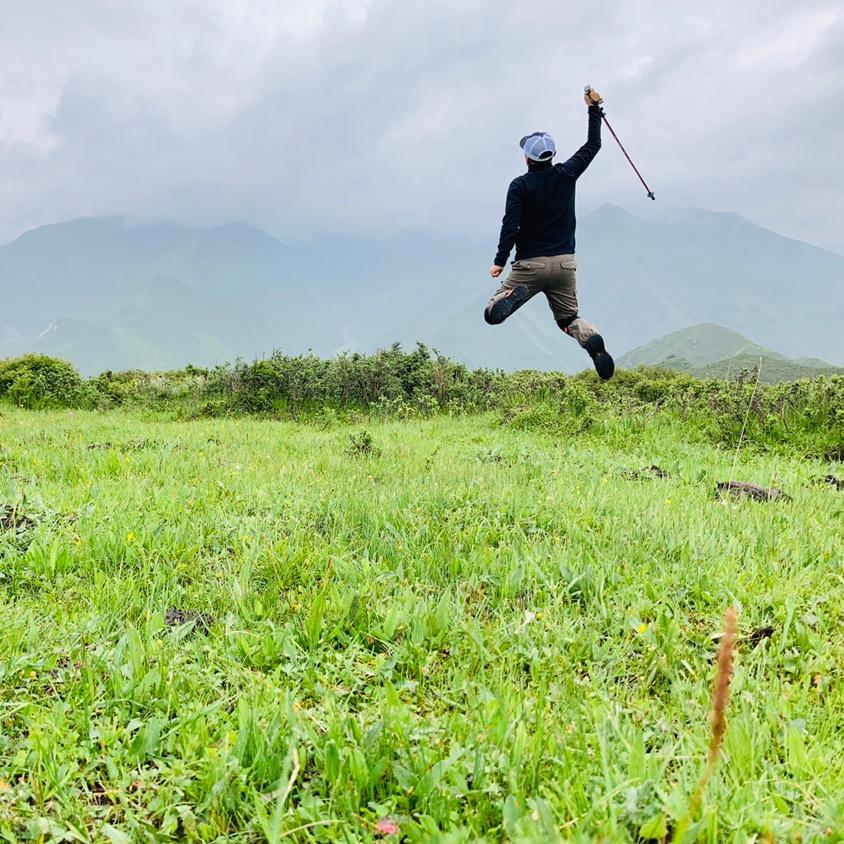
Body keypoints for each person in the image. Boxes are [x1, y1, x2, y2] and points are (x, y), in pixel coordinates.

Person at [484, 89, 614, 380]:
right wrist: (594, 110)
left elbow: (511, 225)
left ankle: (509, 297)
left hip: (530, 266)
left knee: (492, 313)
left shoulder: (519, 186)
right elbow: (593, 144)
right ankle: (592, 341)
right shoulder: (567, 173)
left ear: (527, 159)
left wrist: (499, 260)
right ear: (552, 156)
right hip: (565, 264)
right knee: (569, 319)